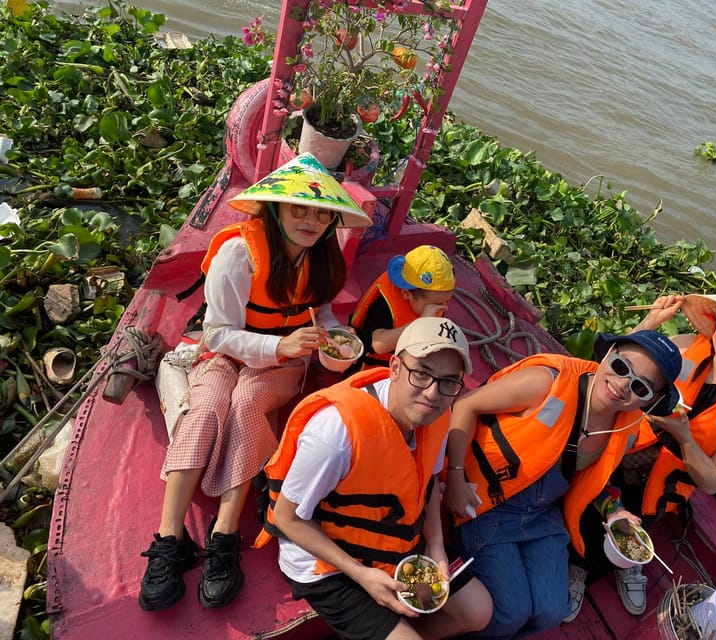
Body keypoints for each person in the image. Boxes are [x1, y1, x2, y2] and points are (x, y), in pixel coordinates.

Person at [138, 153, 373, 611]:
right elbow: (218, 332)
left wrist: (332, 338)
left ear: (332, 221)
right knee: (205, 408)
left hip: (285, 357)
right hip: (227, 349)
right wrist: (278, 348)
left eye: (323, 212)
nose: (311, 220)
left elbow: (321, 312)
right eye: (299, 209)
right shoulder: (238, 254)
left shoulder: (321, 258)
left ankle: (224, 533)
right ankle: (170, 540)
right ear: (276, 209)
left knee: (247, 404)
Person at [254, 317, 493, 640]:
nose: (432, 393)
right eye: (421, 373)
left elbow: (428, 484)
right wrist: (361, 575)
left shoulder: (438, 414)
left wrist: (436, 545)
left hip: (394, 539)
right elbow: (287, 518)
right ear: (395, 367)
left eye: (449, 382)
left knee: (478, 611)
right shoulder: (336, 433)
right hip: (328, 564)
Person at [568, 293, 716, 619]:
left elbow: (713, 481)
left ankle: (623, 564)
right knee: (588, 513)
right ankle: (577, 566)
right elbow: (616, 369)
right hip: (620, 452)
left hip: (661, 486)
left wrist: (684, 436)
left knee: (631, 534)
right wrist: (652, 323)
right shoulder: (687, 345)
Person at [443, 330, 683, 639]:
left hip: (542, 513)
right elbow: (466, 405)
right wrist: (455, 477)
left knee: (551, 612)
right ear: (608, 355)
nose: (623, 385)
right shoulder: (548, 381)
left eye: (640, 387)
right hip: (490, 499)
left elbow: (596, 478)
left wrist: (616, 511)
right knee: (508, 614)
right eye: (622, 367)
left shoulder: (626, 428)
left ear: (652, 400)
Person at [349, 244, 456, 370]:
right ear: (406, 293)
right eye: (436, 304)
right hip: (370, 366)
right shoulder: (385, 304)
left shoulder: (434, 303)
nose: (442, 307)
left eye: (445, 302)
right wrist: (419, 323)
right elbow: (379, 345)